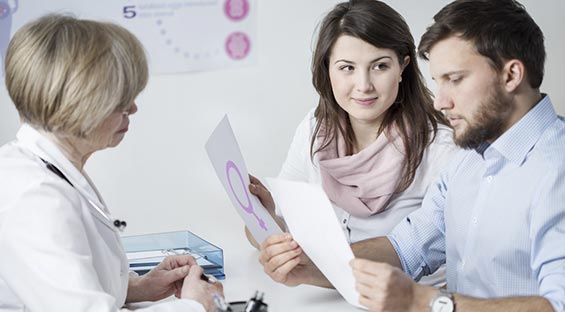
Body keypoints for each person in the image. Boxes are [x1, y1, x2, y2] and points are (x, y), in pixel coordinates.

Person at [260, 0, 565, 311]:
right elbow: (406, 248)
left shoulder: (556, 172)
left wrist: (425, 301)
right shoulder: (470, 158)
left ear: (511, 75)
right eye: (438, 82)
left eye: (455, 80)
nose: (440, 102)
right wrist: (313, 267)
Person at [0, 14, 222, 312]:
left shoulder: (48, 170)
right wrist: (196, 306)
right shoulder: (33, 197)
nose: (133, 107)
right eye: (119, 98)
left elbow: (65, 287)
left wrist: (136, 287)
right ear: (77, 101)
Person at [249, 0, 458, 287]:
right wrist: (263, 217)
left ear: (403, 67)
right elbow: (284, 232)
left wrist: (312, 271)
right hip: (331, 301)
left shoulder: (441, 150)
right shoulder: (315, 129)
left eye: (380, 66)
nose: (363, 85)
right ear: (327, 69)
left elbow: (422, 253)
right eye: (347, 68)